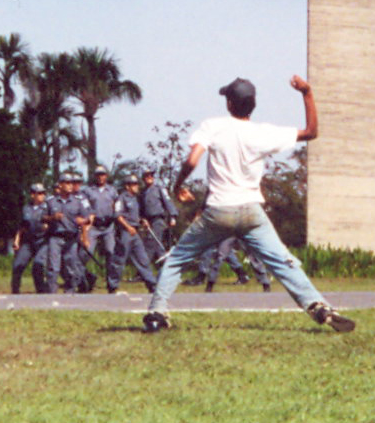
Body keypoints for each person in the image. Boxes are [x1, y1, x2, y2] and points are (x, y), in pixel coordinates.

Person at [145, 76, 353, 334]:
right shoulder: (263, 133)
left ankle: (156, 313)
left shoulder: (213, 126)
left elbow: (192, 160)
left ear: (230, 104)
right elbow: (311, 132)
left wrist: (177, 186)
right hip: (251, 211)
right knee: (282, 262)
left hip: (218, 211)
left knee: (177, 259)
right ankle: (318, 305)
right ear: (252, 105)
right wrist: (307, 93)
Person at [47, 174, 92, 294]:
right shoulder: (51, 201)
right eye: (67, 183)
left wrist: (83, 222)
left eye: (71, 183)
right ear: (60, 185)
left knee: (70, 266)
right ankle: (52, 293)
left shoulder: (77, 202)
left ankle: (70, 291)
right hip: (55, 237)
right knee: (53, 267)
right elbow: (42, 218)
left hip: (71, 238)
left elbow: (88, 218)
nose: (70, 186)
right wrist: (52, 217)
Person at [82, 168, 122, 293]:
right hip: (93, 226)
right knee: (85, 253)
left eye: (103, 175)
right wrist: (88, 217)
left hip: (108, 226)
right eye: (98, 175)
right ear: (95, 176)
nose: (100, 177)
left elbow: (118, 205)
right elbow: (84, 206)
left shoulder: (112, 191)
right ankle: (86, 280)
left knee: (111, 253)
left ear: (106, 176)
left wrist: (117, 215)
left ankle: (112, 285)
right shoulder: (88, 191)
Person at [113, 175, 157, 292]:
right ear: (127, 186)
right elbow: (118, 215)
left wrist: (143, 220)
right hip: (125, 232)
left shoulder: (136, 199)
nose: (136, 186)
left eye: (137, 184)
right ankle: (113, 286)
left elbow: (138, 215)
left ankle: (151, 284)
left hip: (135, 232)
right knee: (120, 260)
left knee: (143, 259)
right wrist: (127, 227)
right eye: (134, 184)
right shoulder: (122, 198)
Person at [10, 183, 53, 294]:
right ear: (32, 195)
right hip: (28, 242)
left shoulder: (48, 207)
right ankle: (15, 292)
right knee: (18, 265)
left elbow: (55, 221)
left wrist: (48, 225)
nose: (42, 195)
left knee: (37, 266)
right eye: (39, 193)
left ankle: (41, 292)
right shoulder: (26, 208)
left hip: (42, 241)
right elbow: (22, 226)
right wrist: (17, 240)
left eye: (43, 193)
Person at [140, 168, 174, 257]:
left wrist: (173, 217)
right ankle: (165, 266)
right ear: (143, 178)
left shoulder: (159, 189)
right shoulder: (142, 192)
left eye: (151, 175)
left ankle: (143, 268)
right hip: (148, 221)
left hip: (158, 220)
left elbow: (168, 202)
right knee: (158, 246)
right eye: (147, 176)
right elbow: (141, 209)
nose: (149, 177)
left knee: (150, 242)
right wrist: (143, 219)